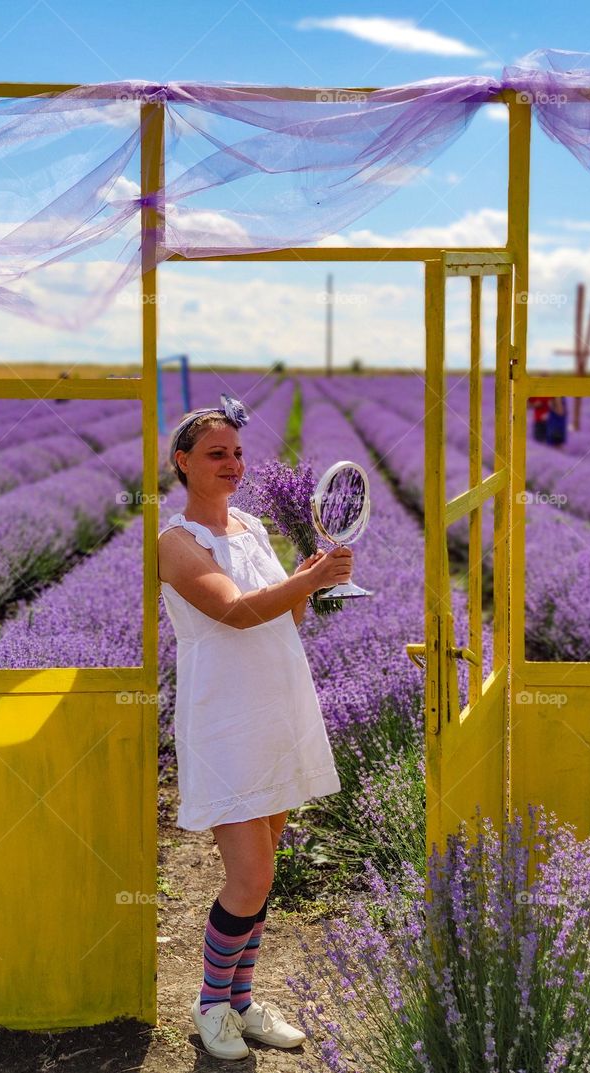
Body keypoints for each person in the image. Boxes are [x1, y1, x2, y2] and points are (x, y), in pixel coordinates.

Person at [157, 394, 350, 1061]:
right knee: (250, 873)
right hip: (225, 718)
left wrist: (306, 582)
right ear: (183, 462)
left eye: (238, 452)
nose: (233, 464)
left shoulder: (251, 527)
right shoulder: (175, 542)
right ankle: (210, 1004)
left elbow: (284, 619)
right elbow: (235, 612)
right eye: (217, 454)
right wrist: (308, 582)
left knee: (263, 874)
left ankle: (242, 1003)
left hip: (277, 707)